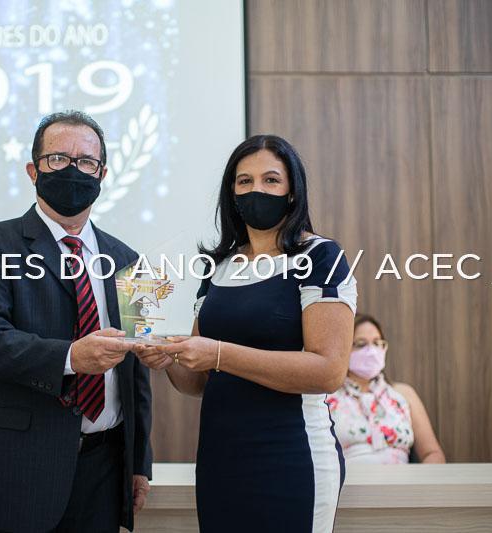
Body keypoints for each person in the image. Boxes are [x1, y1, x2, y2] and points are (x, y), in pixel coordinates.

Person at [135, 135, 356, 532]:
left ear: (292, 191)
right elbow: (197, 382)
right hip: (220, 459)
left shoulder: (320, 256)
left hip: (291, 456)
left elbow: (328, 371)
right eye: (245, 181)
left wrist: (220, 353)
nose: (257, 190)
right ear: (232, 193)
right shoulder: (218, 267)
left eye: (271, 180)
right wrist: (168, 359)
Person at [0, 110, 153, 533]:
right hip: (15, 470)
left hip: (104, 471)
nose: (73, 171)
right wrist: (71, 357)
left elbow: (135, 373)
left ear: (102, 174)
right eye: (58, 159)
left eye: (86, 162)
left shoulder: (130, 262)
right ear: (33, 170)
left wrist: (139, 462)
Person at [326, 313, 446, 464]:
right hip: (348, 478)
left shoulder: (403, 394)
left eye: (377, 343)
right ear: (343, 349)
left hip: (402, 478)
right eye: (361, 344)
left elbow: (432, 453)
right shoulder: (327, 398)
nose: (371, 351)